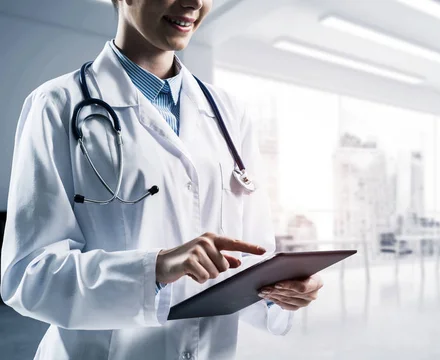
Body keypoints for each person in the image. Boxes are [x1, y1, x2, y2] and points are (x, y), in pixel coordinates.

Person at [0, 0, 323, 359]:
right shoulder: (56, 105)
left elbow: (250, 255)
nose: (195, 3)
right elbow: (29, 278)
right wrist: (155, 268)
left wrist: (282, 290)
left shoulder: (231, 113)